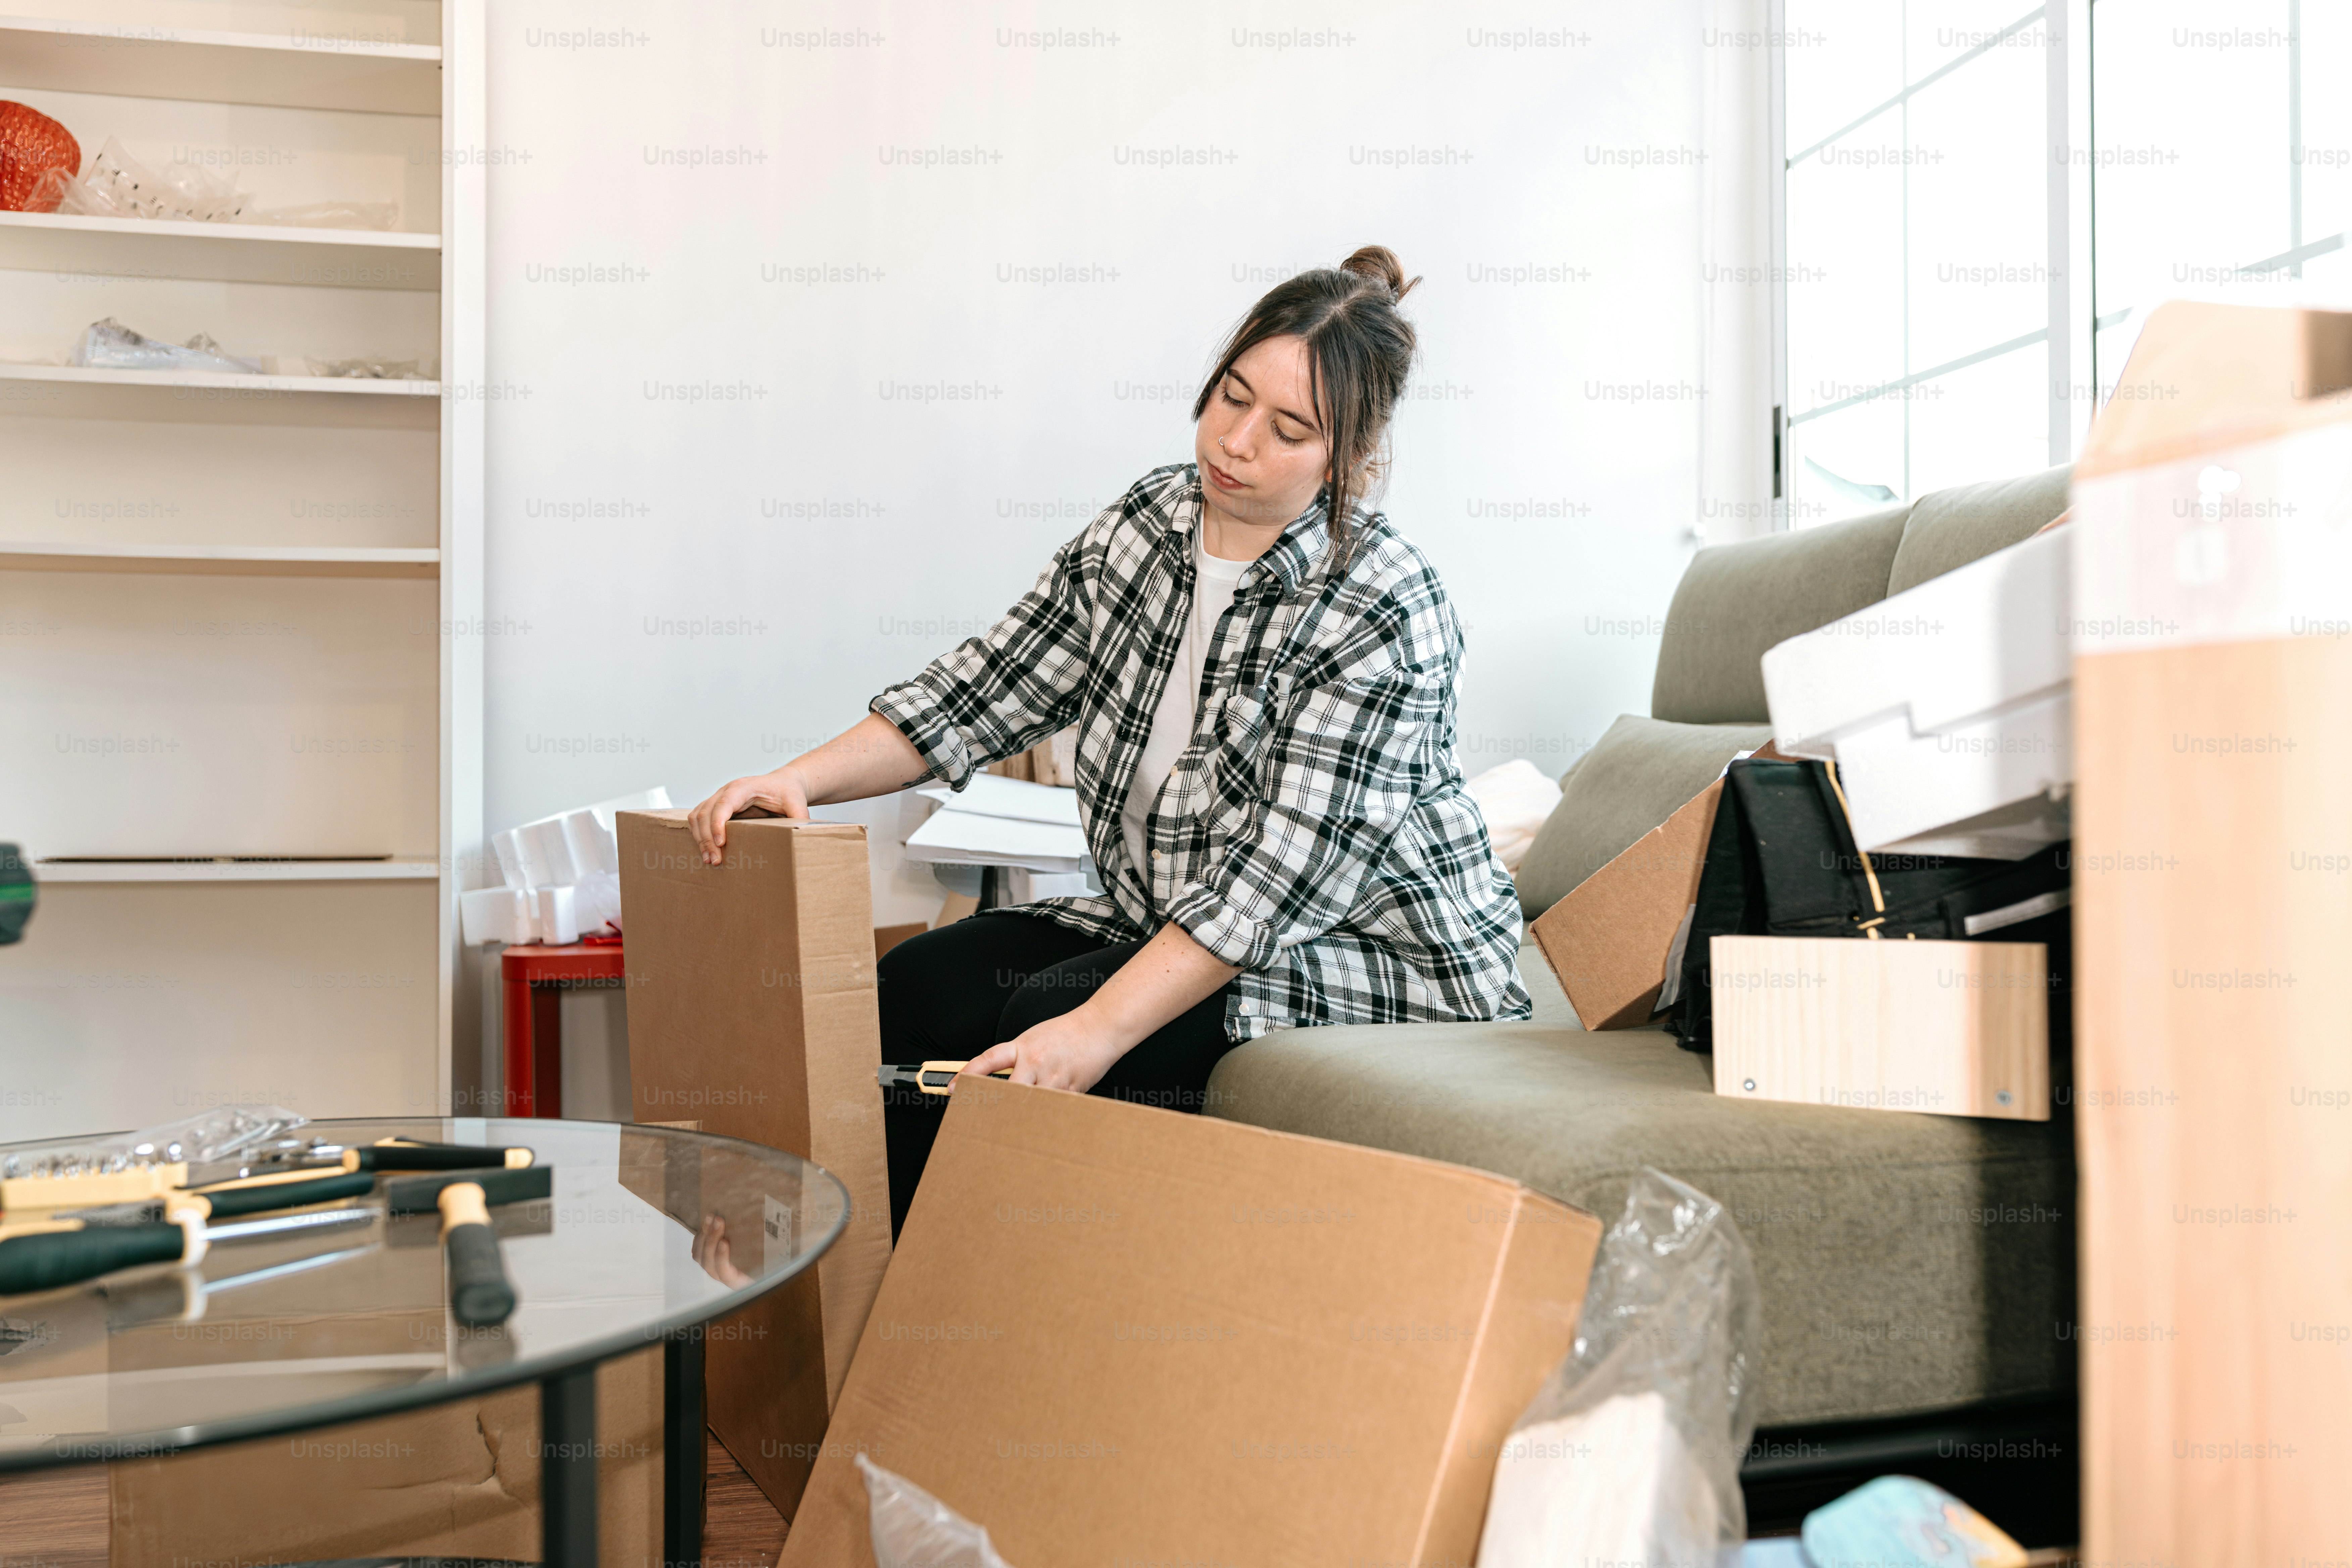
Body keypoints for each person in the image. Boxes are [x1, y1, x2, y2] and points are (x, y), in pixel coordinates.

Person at [688, 245, 1529, 1237]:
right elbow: (988, 683)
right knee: (910, 991)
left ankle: (995, 1339)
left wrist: (1091, 1033)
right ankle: (892, 1332)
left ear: (1348, 461)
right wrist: (800, 780)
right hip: (1165, 914)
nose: (1238, 441)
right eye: (1231, 396)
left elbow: (1274, 887)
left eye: (1288, 429)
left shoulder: (1385, 607)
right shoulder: (1150, 523)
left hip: (1369, 956)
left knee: (1049, 1024)